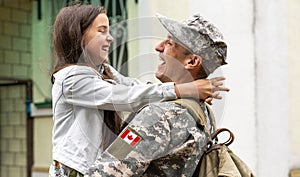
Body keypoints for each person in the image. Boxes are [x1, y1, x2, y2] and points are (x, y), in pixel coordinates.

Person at [49, 4, 229, 177]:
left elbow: (109, 167)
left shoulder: (156, 116)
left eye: (170, 43)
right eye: (101, 31)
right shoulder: (203, 113)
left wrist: (180, 90)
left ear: (191, 62)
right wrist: (183, 89)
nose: (158, 47)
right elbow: (127, 91)